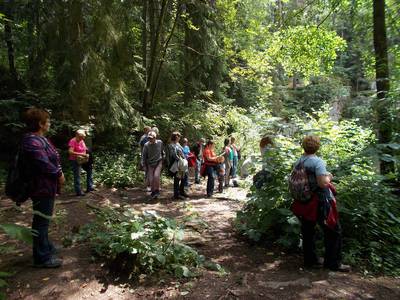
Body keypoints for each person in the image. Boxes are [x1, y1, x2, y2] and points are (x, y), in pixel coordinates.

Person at [291, 135, 350, 272]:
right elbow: (323, 183)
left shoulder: (299, 161)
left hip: (304, 201)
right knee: (333, 231)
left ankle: (310, 260)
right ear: (317, 146)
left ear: (304, 146)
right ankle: (333, 263)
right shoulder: (317, 162)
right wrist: (329, 176)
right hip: (319, 201)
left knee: (308, 230)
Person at [22, 107, 65, 268]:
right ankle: (41, 258)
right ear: (40, 124)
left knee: (44, 220)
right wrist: (59, 174)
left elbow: (52, 157)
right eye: (47, 121)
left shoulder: (40, 138)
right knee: (41, 221)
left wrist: (58, 172)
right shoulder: (31, 141)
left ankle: (46, 247)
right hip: (40, 187)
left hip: (47, 187)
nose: (50, 123)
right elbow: (43, 163)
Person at [68, 129, 93, 196]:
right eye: (80, 137)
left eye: (82, 138)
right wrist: (81, 154)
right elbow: (70, 152)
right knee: (77, 176)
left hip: (82, 159)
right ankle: (78, 192)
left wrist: (84, 155)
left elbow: (84, 149)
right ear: (77, 136)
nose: (81, 139)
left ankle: (90, 187)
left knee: (89, 170)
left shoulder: (81, 141)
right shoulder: (73, 141)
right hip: (75, 160)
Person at [141, 130, 164, 199]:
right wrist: (144, 165)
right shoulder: (146, 145)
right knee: (151, 179)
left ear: (155, 137)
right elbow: (144, 155)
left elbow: (162, 151)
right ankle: (153, 192)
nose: (150, 139)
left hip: (158, 162)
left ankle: (157, 191)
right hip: (150, 163)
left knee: (156, 176)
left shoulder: (160, 142)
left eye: (151, 138)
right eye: (149, 138)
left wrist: (163, 157)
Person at [169, 132, 189, 200]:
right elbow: (173, 155)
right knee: (177, 179)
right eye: (178, 137)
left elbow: (182, 151)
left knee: (184, 177)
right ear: (176, 137)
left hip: (182, 163)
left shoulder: (178, 144)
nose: (179, 138)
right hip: (176, 164)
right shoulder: (171, 145)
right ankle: (176, 195)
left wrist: (183, 158)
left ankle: (181, 191)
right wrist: (180, 159)